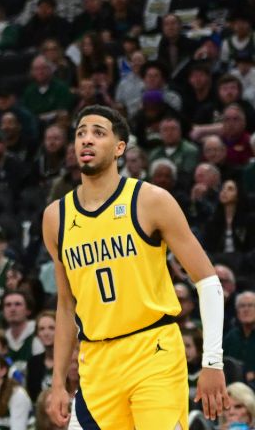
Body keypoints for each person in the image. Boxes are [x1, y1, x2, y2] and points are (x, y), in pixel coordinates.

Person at [42, 105, 230, 428]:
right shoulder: (55, 217)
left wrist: (213, 361)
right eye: (80, 133)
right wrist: (58, 381)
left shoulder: (150, 200)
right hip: (96, 361)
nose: (86, 139)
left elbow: (208, 280)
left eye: (98, 133)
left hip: (153, 351)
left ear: (119, 148)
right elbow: (65, 303)